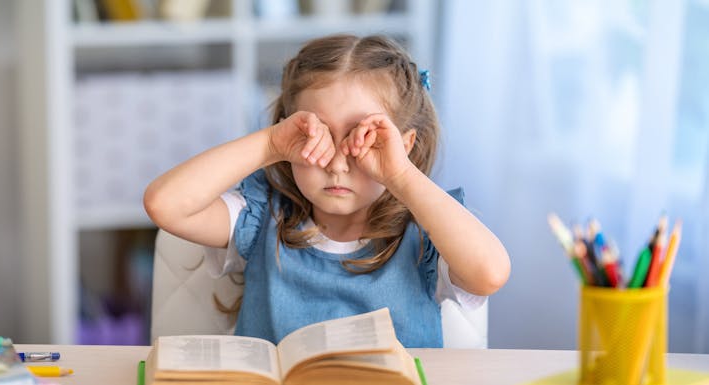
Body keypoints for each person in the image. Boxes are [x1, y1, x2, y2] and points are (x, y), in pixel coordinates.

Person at [144, 34, 510, 348]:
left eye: (361, 140)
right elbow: (164, 205)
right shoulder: (260, 217)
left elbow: (490, 273)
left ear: (405, 144)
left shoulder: (428, 232)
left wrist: (400, 173)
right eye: (317, 137)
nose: (336, 164)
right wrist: (270, 143)